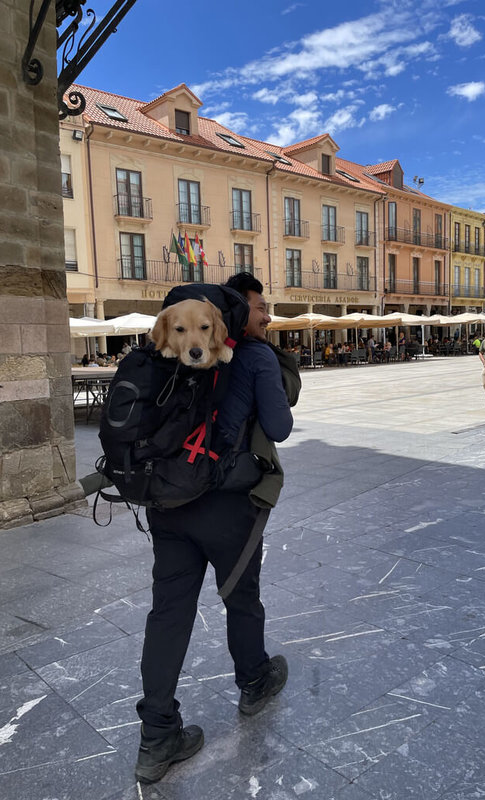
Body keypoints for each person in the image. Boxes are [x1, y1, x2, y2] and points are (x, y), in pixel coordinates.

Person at [134, 272, 295, 785]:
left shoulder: (166, 348)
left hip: (168, 500)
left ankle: (158, 737)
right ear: (238, 316)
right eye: (261, 308)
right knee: (240, 597)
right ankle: (253, 681)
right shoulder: (249, 354)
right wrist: (274, 360)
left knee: (169, 614)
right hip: (227, 505)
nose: (265, 316)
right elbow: (280, 426)